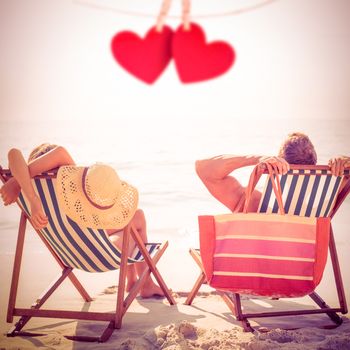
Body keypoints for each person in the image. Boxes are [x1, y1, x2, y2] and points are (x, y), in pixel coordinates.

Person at [0, 144, 164, 298]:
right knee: (137, 217)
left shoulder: (27, 190)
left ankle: (132, 282)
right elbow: (59, 152)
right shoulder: (68, 180)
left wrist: (15, 181)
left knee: (132, 218)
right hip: (100, 255)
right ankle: (146, 284)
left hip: (69, 254)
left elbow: (13, 154)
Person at [195, 132, 350, 213]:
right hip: (299, 273)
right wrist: (345, 163)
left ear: (278, 161)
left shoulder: (253, 202)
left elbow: (203, 169)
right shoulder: (322, 204)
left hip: (251, 270)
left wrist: (256, 159)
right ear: (313, 166)